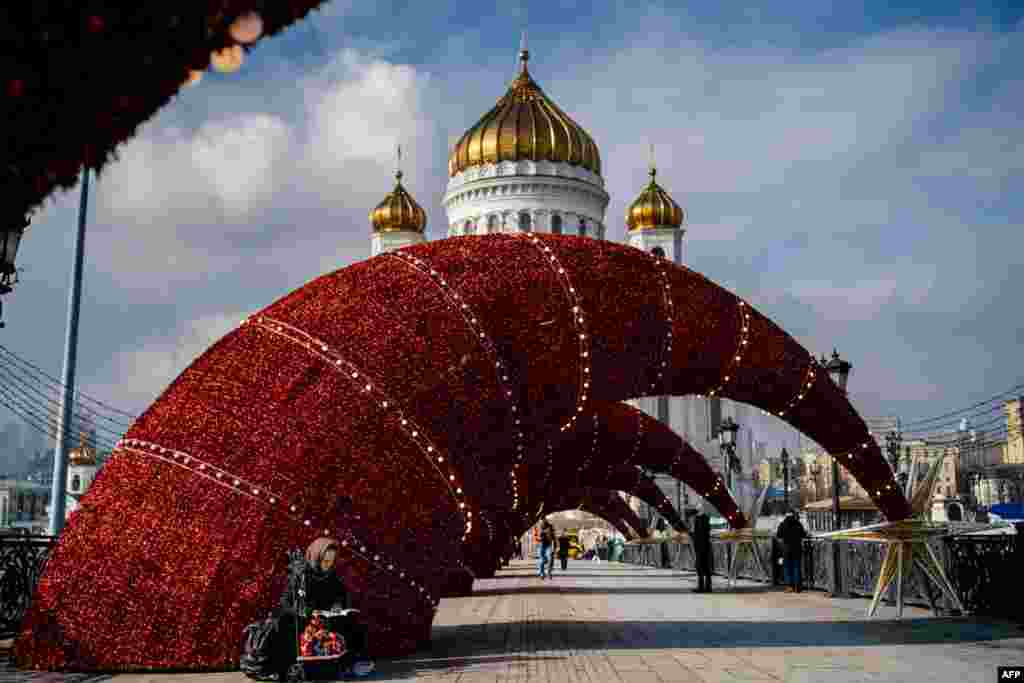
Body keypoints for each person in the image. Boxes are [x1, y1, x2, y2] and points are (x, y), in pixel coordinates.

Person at [278, 537, 375, 678]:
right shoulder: (301, 576)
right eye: (325, 561)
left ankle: (351, 663)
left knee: (352, 624)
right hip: (304, 620)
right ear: (316, 557)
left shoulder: (331, 575)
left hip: (327, 618)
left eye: (331, 561)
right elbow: (286, 603)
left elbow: (341, 595)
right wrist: (309, 612)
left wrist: (338, 605)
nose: (328, 565)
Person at [776, 509, 808, 593]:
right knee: (796, 567)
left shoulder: (782, 524)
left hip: (786, 549)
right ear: (793, 515)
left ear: (786, 515)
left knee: (787, 568)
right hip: (797, 549)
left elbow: (778, 535)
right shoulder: (798, 523)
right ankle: (797, 587)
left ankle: (789, 586)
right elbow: (803, 534)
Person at [692, 505, 713, 593]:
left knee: (700, 565)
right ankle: (707, 586)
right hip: (706, 543)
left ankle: (702, 586)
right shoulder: (706, 518)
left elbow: (696, 533)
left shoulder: (698, 519)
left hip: (700, 544)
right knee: (706, 565)